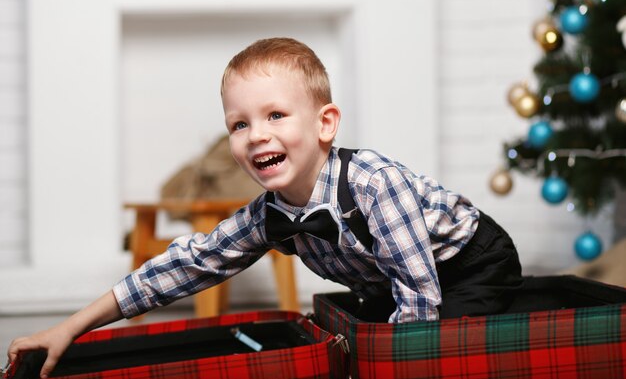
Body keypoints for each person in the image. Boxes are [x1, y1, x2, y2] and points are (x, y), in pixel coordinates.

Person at [7, 37, 523, 378]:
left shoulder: (374, 185)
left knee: (443, 354)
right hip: (388, 278)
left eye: (276, 114)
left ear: (325, 124)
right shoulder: (266, 216)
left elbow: (417, 301)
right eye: (239, 124)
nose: (258, 136)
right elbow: (182, 266)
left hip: (467, 264)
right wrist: (70, 326)